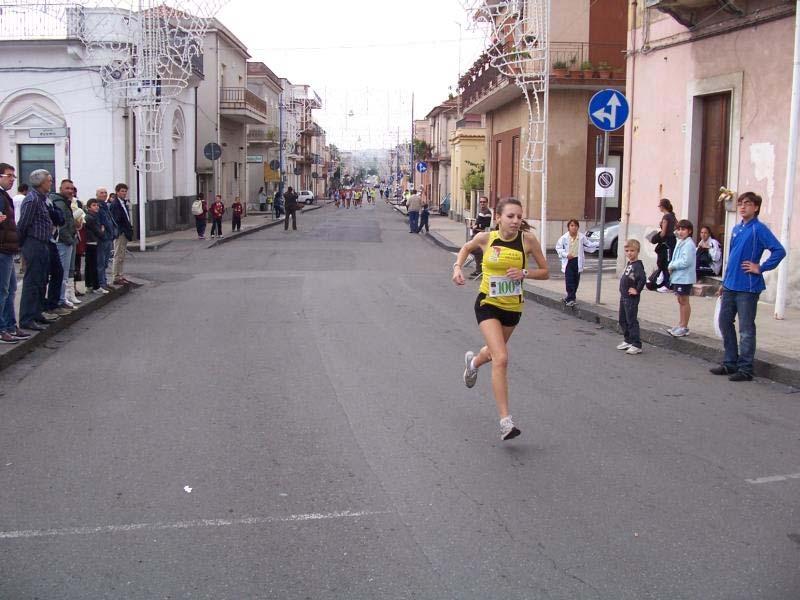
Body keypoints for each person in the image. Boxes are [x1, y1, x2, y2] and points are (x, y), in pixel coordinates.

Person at [452, 198, 549, 440]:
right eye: (510, 216)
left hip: (513, 308)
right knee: (502, 358)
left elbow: (546, 272)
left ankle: (473, 364)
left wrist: (524, 273)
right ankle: (506, 422)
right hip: (487, 304)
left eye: (519, 216)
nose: (516, 221)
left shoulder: (528, 241)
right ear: (498, 217)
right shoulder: (487, 239)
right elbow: (465, 248)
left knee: (493, 352)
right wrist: (457, 268)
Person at [711, 192, 786, 382]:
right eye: (740, 203)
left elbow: (779, 250)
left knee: (746, 329)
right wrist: (724, 282)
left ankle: (745, 369)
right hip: (730, 286)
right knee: (724, 322)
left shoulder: (759, 229)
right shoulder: (737, 229)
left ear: (756, 207)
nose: (743, 207)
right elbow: (732, 256)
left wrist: (760, 267)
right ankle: (730, 362)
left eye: (747, 204)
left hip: (748, 288)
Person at [18, 169, 59, 330]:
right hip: (34, 243)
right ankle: (26, 317)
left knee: (42, 280)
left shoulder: (43, 199)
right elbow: (23, 224)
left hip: (43, 243)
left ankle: (37, 313)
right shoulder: (32, 200)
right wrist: (22, 244)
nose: (51, 183)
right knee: (32, 281)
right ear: (41, 182)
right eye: (49, 180)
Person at [0, 163, 29, 343]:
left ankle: (10, 325)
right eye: (9, 175)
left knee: (10, 289)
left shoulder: (4, 196)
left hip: (8, 248)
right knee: (3, 290)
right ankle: (2, 328)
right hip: (2, 248)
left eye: (13, 176)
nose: (12, 179)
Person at [555, 219, 599, 307]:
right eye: (571, 225)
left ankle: (570, 297)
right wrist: (566, 254)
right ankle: (571, 299)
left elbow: (588, 244)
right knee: (569, 280)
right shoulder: (564, 238)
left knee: (576, 280)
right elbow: (558, 248)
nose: (574, 227)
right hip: (569, 261)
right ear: (568, 227)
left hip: (577, 261)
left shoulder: (581, 237)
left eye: (575, 226)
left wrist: (598, 243)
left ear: (578, 227)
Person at [50, 179, 78, 309]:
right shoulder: (60, 203)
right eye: (67, 188)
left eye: (72, 189)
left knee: (65, 272)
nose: (70, 191)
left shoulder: (64, 202)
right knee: (62, 272)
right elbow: (63, 225)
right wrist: (70, 240)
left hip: (66, 241)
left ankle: (63, 298)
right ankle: (60, 299)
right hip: (63, 242)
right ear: (61, 189)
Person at [666, 219, 697, 337]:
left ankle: (684, 326)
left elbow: (686, 262)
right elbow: (675, 234)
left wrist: (672, 265)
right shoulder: (680, 241)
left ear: (689, 231)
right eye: (679, 229)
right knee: (680, 300)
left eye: (683, 229)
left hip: (684, 278)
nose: (680, 232)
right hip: (679, 277)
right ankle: (680, 324)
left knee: (684, 301)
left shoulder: (689, 244)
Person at [616, 239, 647, 355]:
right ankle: (628, 339)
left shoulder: (637, 266)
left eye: (632, 251)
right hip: (624, 296)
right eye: (627, 251)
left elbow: (642, 279)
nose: (629, 253)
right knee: (622, 319)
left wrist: (637, 290)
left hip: (630, 298)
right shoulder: (630, 264)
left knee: (631, 320)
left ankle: (636, 343)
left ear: (637, 251)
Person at [650, 198, 677, 292]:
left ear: (662, 207)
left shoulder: (666, 217)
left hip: (666, 243)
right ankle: (667, 283)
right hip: (672, 241)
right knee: (668, 262)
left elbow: (663, 233)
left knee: (664, 263)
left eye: (660, 206)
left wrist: (654, 238)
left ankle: (667, 285)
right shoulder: (673, 216)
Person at [110, 183, 133, 284]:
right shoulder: (115, 204)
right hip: (120, 232)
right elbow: (116, 219)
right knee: (118, 254)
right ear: (117, 192)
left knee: (122, 254)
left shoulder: (123, 203)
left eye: (125, 191)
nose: (124, 193)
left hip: (125, 231)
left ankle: (120, 274)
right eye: (122, 191)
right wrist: (122, 229)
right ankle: (116, 276)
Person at [96, 187, 117, 290]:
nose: (104, 194)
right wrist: (103, 233)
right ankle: (101, 283)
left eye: (105, 193)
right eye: (101, 193)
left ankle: (104, 281)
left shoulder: (106, 206)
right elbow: (100, 222)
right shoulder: (98, 206)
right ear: (97, 195)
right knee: (101, 262)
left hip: (109, 237)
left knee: (105, 263)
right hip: (102, 238)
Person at [83, 198, 106, 294]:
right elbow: (99, 232)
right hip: (91, 242)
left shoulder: (90, 217)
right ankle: (96, 286)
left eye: (97, 205)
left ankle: (89, 285)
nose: (96, 207)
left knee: (89, 265)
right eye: (93, 205)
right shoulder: (90, 218)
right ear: (88, 207)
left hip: (90, 242)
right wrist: (102, 230)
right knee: (93, 265)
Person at [467, 196, 493, 278]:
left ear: (487, 203)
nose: (482, 203)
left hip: (480, 234)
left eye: (484, 202)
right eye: (481, 202)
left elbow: (486, 224)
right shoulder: (482, 211)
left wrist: (476, 226)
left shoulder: (487, 212)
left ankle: (480, 269)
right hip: (476, 233)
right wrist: (474, 225)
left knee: (475, 251)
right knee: (473, 250)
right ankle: (479, 269)